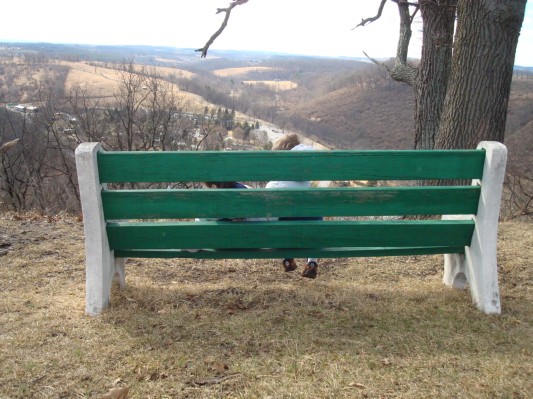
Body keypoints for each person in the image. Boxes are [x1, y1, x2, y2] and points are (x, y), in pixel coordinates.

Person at [266, 134, 322, 279]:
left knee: (281, 220)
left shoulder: (274, 185)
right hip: (312, 233)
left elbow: (268, 214)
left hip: (286, 235)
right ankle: (312, 261)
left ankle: (287, 257)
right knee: (313, 213)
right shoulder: (306, 180)